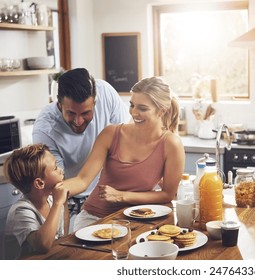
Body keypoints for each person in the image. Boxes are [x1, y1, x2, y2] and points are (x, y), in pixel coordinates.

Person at [64, 76, 185, 231]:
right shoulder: (111, 134)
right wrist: (58, 190)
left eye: (142, 108)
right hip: (95, 217)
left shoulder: (171, 144)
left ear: (161, 111)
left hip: (138, 219)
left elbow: (168, 194)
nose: (134, 113)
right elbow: (82, 180)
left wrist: (121, 195)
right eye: (132, 105)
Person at [32, 68, 131, 215]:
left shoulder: (105, 92)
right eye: (71, 113)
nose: (78, 121)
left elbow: (127, 137)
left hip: (110, 191)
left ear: (95, 103)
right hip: (72, 198)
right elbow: (58, 187)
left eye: (86, 113)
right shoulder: (45, 131)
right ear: (59, 105)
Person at [3, 144, 68, 260]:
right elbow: (43, 245)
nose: (61, 170)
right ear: (39, 183)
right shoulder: (21, 212)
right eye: (55, 168)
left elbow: (60, 239)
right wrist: (58, 204)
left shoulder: (52, 199)